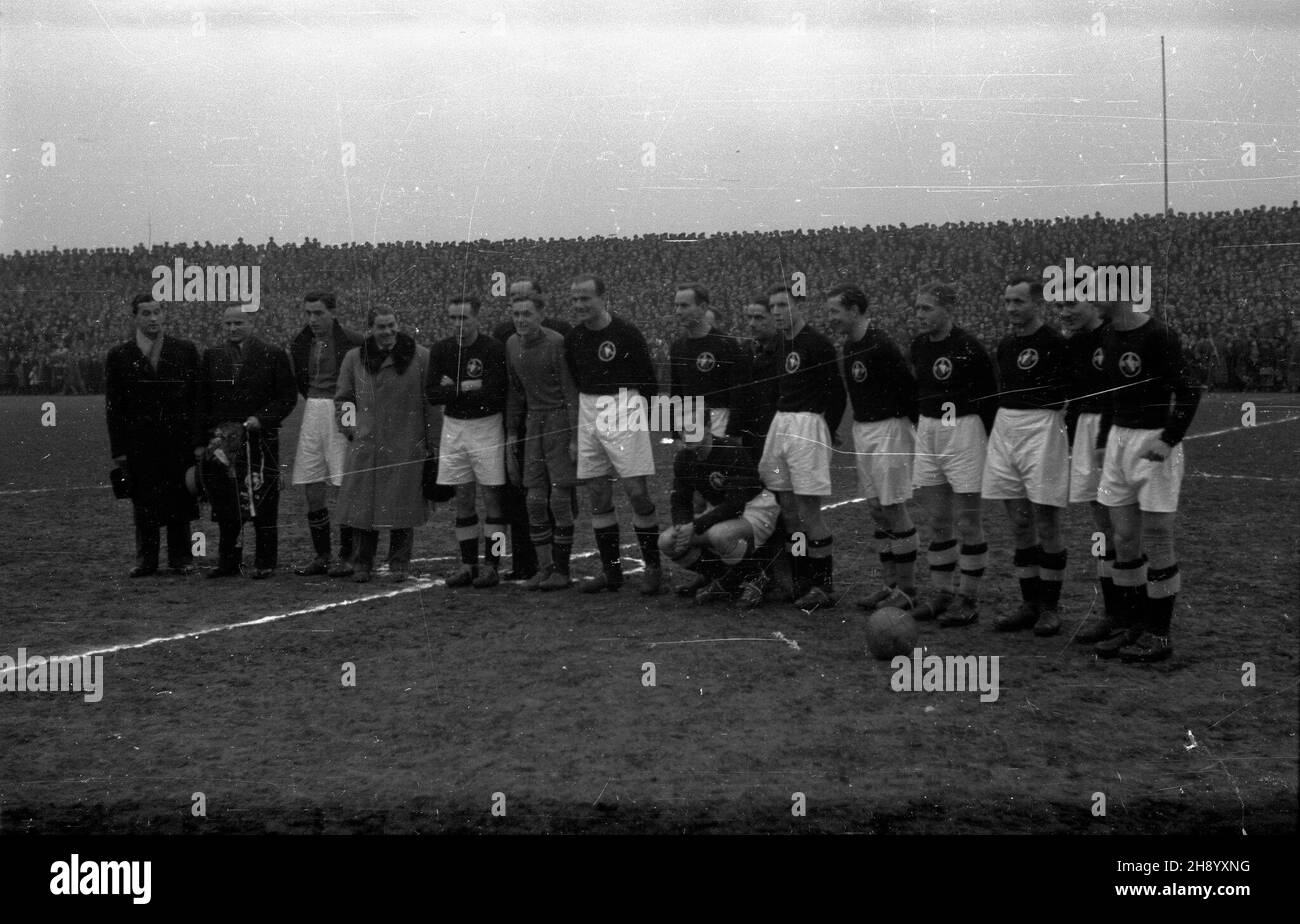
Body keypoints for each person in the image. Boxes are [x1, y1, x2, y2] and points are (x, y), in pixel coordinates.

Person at [1092, 298, 1201, 662]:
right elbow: (1110, 394)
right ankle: (1131, 625)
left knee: (1156, 536)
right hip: (1119, 441)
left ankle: (1159, 634)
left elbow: (1188, 389)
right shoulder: (1108, 335)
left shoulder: (1158, 334)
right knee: (1123, 538)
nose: (1091, 297)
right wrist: (1103, 440)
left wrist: (1169, 438)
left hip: (1153, 439)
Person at [564, 274, 664, 594]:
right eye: (575, 299)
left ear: (602, 298)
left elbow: (648, 382)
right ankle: (612, 572)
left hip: (623, 404)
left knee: (636, 491)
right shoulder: (574, 338)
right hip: (588, 407)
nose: (579, 305)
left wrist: (644, 422)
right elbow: (577, 379)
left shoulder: (626, 333)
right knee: (597, 494)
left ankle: (653, 567)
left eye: (585, 299)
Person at [983, 273, 1072, 636]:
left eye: (1018, 301)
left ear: (1037, 302)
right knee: (1019, 523)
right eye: (1007, 302)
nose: (1011, 308)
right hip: (1007, 428)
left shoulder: (1054, 341)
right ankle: (1029, 604)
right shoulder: (1005, 345)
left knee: (1046, 521)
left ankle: (1050, 607)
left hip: (1043, 428)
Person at [824, 284, 919, 612]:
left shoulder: (881, 344)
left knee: (893, 507)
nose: (831, 318)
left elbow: (908, 389)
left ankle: (907, 590)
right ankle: (888, 584)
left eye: (835, 311)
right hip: (863, 429)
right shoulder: (849, 346)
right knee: (877, 510)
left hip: (890, 428)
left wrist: (905, 431)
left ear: (854, 309)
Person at [908, 282, 997, 627]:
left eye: (927, 308)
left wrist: (988, 440)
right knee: (938, 521)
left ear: (948, 309)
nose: (920, 315)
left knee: (968, 521)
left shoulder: (968, 347)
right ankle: (942, 593)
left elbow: (990, 396)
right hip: (928, 429)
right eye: (917, 308)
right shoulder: (917, 346)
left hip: (964, 431)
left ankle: (969, 598)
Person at [757, 284, 846, 610]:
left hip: (807, 425)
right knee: (790, 511)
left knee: (809, 511)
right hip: (782, 424)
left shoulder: (817, 344)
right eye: (773, 306)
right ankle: (801, 578)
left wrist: (827, 427)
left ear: (799, 306)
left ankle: (824, 586)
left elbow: (836, 392)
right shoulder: (780, 344)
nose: (777, 311)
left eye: (783, 305)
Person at [334, 307, 437, 583]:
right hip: (367, 446)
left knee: (402, 508)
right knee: (364, 509)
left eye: (392, 325)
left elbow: (430, 405)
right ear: (371, 329)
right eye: (381, 327)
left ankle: (399, 563)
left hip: (406, 444)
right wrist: (350, 429)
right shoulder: (354, 358)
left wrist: (430, 443)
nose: (389, 331)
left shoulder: (421, 356)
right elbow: (345, 399)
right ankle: (362, 563)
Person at [104, 294, 202, 577]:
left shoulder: (184, 350)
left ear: (165, 314)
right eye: (146, 313)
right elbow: (114, 406)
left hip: (178, 441)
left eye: (157, 312)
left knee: (180, 499)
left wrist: (197, 441)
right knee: (144, 502)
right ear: (135, 317)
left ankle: (181, 558)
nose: (153, 318)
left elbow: (197, 401)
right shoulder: (120, 355)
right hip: (140, 444)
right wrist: (119, 449)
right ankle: (147, 560)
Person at [198, 306, 297, 579]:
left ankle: (265, 561)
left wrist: (261, 418)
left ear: (251, 323)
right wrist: (212, 433)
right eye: (228, 323)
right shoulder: (212, 356)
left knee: (263, 499)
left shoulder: (273, 355)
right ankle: (229, 562)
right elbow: (202, 399)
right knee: (227, 501)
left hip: (260, 440)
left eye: (238, 322)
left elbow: (287, 397)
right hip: (224, 444)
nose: (232, 328)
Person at [491, 278, 573, 581]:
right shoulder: (511, 343)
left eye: (527, 314)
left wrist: (575, 436)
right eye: (516, 314)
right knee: (534, 499)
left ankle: (562, 570)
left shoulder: (557, 342)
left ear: (541, 313)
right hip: (531, 424)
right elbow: (514, 392)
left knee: (560, 499)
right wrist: (512, 432)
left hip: (558, 421)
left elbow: (570, 393)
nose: (521, 320)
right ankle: (545, 567)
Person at [427, 294, 510, 588]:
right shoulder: (441, 350)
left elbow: (494, 392)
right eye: (453, 318)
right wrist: (469, 387)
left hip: (487, 427)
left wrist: (455, 386)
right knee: (462, 497)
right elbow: (432, 394)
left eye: (464, 318)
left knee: (491, 498)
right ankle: (467, 564)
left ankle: (492, 565)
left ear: (477, 318)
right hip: (454, 427)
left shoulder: (492, 348)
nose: (458, 324)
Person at [658, 416, 781, 604]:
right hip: (721, 511)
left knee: (720, 535)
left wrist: (696, 525)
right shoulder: (684, 457)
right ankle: (725, 579)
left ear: (708, 427)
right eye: (682, 430)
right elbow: (680, 500)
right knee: (668, 541)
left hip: (756, 508)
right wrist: (682, 526)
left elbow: (736, 504)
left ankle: (757, 577)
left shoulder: (729, 450)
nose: (687, 434)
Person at [288, 291, 365, 577]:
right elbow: (300, 380)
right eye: (308, 313)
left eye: (318, 313)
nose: (312, 319)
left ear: (332, 312)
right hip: (311, 409)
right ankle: (322, 555)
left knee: (342, 482)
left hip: (341, 407)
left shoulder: (353, 340)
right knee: (311, 481)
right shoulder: (300, 341)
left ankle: (348, 555)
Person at [1061, 297, 1120, 643]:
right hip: (1085, 430)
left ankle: (1133, 615)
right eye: (1060, 307)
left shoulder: (1114, 336)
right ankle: (1113, 613)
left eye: (1071, 304)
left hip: (1115, 429)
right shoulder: (1073, 344)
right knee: (1102, 525)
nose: (1065, 313)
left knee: (1124, 526)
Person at [668, 283, 742, 438]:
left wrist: (733, 431)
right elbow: (676, 392)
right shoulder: (678, 346)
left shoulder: (726, 344)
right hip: (688, 421)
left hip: (718, 421)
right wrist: (675, 432)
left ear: (702, 307)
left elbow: (738, 393)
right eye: (676, 306)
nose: (678, 312)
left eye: (684, 306)